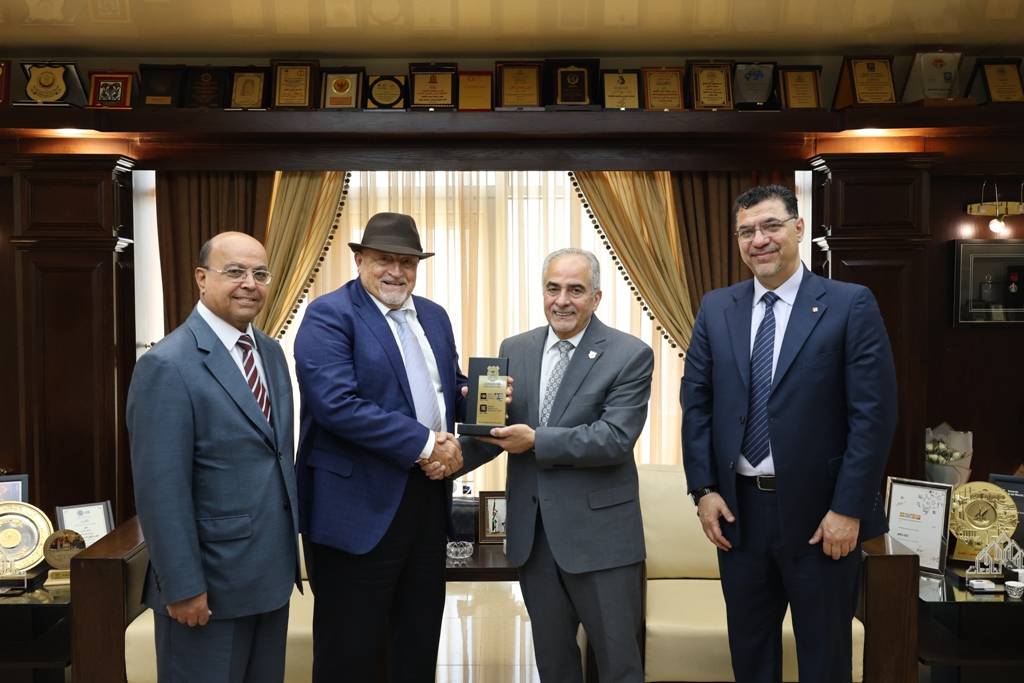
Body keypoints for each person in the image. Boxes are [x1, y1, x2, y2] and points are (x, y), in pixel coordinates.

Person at [681, 184, 897, 683]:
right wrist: (704, 490)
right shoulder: (717, 307)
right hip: (739, 515)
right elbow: (697, 404)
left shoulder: (849, 304)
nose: (759, 240)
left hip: (823, 518)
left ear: (798, 228)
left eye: (770, 226)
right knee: (751, 656)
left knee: (825, 659)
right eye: (746, 231)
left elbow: (873, 416)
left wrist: (848, 509)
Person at [459, 247, 653, 683]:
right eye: (553, 288)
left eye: (575, 290)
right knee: (554, 664)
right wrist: (441, 457)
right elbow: (498, 431)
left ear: (596, 297)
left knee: (619, 665)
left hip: (601, 540)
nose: (562, 300)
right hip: (535, 538)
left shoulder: (629, 354)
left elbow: (614, 438)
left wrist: (535, 440)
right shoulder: (515, 348)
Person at [293, 212, 467, 682]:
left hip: (427, 501)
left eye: (407, 262)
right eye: (384, 260)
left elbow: (443, 386)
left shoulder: (434, 316)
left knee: (416, 640)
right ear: (359, 260)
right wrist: (427, 442)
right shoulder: (329, 314)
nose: (396, 271)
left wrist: (480, 395)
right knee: (350, 652)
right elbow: (336, 405)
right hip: (356, 509)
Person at [127, 231, 299, 683]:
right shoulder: (167, 364)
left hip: (270, 579)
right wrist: (183, 586)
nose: (250, 284)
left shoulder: (271, 352)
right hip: (207, 588)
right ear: (201, 278)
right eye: (235, 271)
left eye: (260, 274)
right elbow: (161, 491)